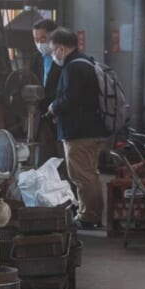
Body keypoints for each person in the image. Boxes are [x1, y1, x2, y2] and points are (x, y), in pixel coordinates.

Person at [47, 27, 110, 230]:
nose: (52, 55)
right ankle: (91, 214)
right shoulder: (85, 62)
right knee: (89, 174)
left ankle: (89, 216)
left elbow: (70, 99)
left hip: (80, 133)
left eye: (53, 50)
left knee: (82, 176)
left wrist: (54, 107)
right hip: (91, 129)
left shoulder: (73, 68)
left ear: (62, 49)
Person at [31, 18, 63, 161]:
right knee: (44, 156)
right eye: (36, 39)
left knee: (62, 157)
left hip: (59, 114)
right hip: (41, 115)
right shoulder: (36, 59)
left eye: (43, 38)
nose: (40, 43)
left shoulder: (63, 59)